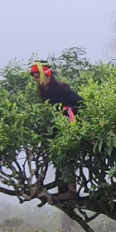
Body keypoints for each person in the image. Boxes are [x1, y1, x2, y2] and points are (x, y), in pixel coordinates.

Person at [29, 60, 83, 201]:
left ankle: (72, 190)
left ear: (46, 75)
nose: (36, 80)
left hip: (67, 127)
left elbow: (81, 103)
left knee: (66, 157)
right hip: (55, 129)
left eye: (37, 76)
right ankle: (63, 190)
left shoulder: (61, 89)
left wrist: (69, 113)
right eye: (34, 78)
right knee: (58, 158)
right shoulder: (44, 92)